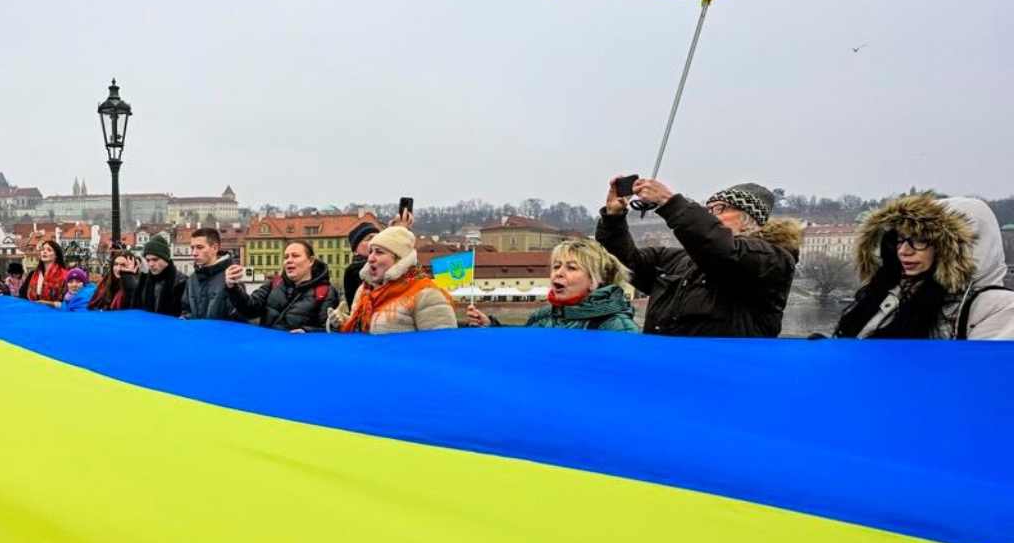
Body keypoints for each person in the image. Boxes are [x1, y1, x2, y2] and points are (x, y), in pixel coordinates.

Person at [597, 177, 802, 337]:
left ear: (750, 218)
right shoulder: (678, 260)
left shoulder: (772, 259)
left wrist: (669, 203)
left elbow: (722, 251)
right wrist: (613, 217)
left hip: (725, 375)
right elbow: (627, 262)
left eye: (720, 208)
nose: (711, 215)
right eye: (709, 209)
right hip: (665, 369)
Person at [833, 195, 1014, 340]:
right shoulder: (893, 294)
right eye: (900, 239)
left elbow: (978, 378)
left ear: (959, 249)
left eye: (921, 240)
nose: (904, 251)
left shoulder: (999, 308)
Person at [463, 238, 639, 331]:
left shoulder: (615, 325)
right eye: (556, 266)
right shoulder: (543, 315)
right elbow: (523, 345)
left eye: (571, 268)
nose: (559, 272)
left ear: (594, 281)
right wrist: (490, 326)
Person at [330, 225, 457, 333]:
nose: (370, 258)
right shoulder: (365, 291)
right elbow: (361, 334)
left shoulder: (426, 294)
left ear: (399, 259)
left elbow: (443, 346)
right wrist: (342, 323)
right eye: (371, 252)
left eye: (379, 252)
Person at [226, 239, 339, 332]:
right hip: (269, 348)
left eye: (295, 256)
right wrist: (233, 288)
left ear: (311, 261)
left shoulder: (326, 292)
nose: (289, 260)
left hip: (300, 353)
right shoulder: (274, 283)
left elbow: (328, 330)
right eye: (286, 257)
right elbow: (249, 309)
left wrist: (307, 332)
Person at [183, 227, 242, 321]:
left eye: (199, 247)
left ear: (215, 248)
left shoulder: (231, 276)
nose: (194, 253)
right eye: (192, 248)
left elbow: (239, 316)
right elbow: (186, 311)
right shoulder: (191, 279)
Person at [133, 235, 185, 316]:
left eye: (155, 259)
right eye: (148, 260)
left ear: (166, 259)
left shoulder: (181, 282)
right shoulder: (143, 280)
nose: (151, 264)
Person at [342, 220, 380, 318]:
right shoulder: (354, 271)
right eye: (369, 238)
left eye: (378, 237)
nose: (375, 241)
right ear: (355, 250)